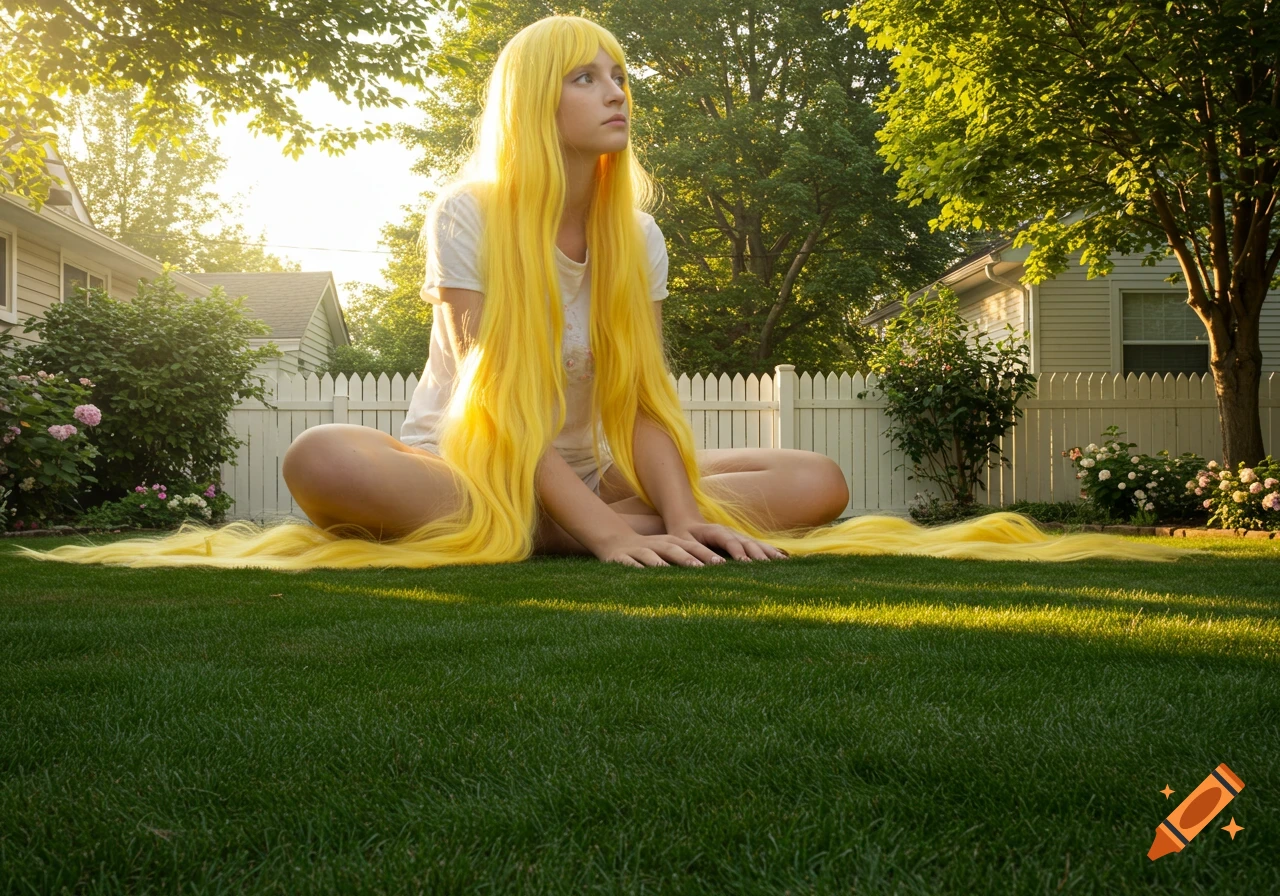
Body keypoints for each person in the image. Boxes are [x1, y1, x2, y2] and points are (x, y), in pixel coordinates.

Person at [12, 15, 1190, 570]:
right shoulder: (467, 212)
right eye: (585, 76)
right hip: (472, 462)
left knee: (816, 477)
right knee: (318, 456)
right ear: (537, 103)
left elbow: (637, 398)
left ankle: (585, 533)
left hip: (594, 474)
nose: (613, 90)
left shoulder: (638, 235)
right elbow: (494, 399)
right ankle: (568, 536)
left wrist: (674, 518)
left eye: (617, 73)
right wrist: (603, 534)